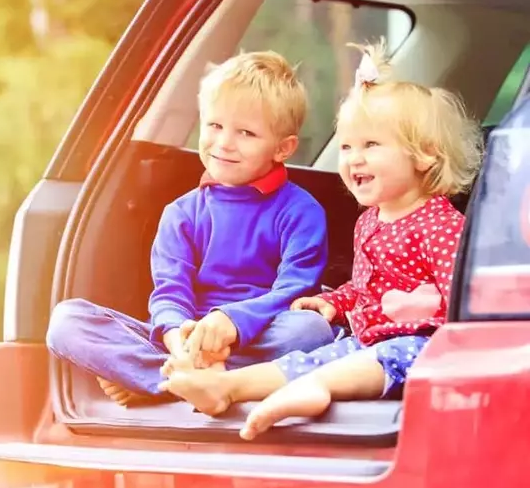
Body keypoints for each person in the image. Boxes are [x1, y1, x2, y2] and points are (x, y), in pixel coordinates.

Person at [158, 41, 483, 438]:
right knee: (317, 356)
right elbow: (368, 289)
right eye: (346, 146)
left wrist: (422, 317)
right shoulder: (370, 222)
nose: (352, 159)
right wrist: (335, 302)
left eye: (370, 146)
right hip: (366, 340)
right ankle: (225, 387)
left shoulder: (440, 224)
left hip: (423, 346)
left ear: (424, 155)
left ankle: (314, 387)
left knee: (360, 354)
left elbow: (468, 303)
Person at [46, 51, 335, 406]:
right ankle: (190, 379)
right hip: (189, 339)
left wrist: (230, 321)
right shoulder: (181, 214)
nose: (224, 142)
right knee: (67, 321)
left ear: (283, 148)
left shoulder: (301, 211)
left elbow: (295, 291)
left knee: (311, 329)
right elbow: (169, 293)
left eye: (246, 132)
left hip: (259, 333)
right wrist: (177, 338)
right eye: (214, 126)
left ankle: (164, 383)